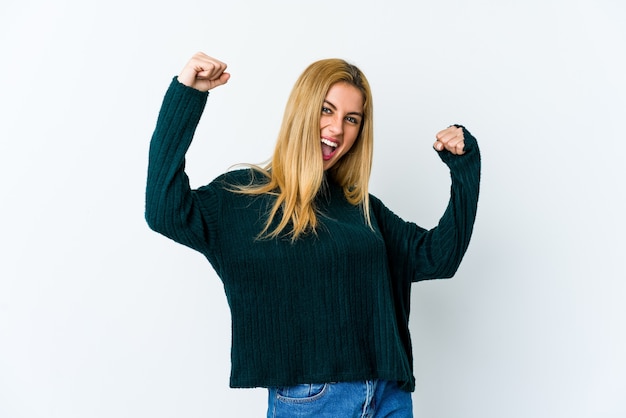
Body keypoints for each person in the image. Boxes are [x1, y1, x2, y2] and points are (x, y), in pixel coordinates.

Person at [145, 52, 481, 418]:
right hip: (314, 401)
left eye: (351, 119)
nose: (337, 128)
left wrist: (464, 170)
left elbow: (439, 257)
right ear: (302, 111)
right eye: (326, 110)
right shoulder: (242, 197)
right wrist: (187, 94)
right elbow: (164, 211)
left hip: (389, 396)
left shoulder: (360, 207)